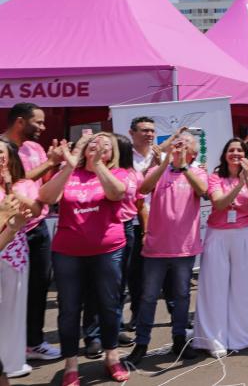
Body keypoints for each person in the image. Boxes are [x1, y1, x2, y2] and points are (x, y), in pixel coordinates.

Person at [39, 133, 130, 384]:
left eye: (104, 146)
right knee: (68, 309)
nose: (97, 147)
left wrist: (98, 164)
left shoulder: (118, 173)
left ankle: (112, 357)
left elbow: (117, 193)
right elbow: (46, 198)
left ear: (112, 154)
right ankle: (70, 365)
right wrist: (70, 164)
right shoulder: (70, 172)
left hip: (107, 250)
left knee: (109, 305)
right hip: (68, 252)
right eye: (92, 143)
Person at [124, 130, 206, 366]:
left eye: (186, 144)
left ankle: (179, 339)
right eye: (177, 143)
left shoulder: (198, 171)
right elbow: (144, 188)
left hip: (184, 249)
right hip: (156, 248)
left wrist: (183, 168)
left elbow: (202, 191)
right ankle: (141, 343)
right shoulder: (157, 171)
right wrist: (166, 163)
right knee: (148, 297)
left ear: (193, 152)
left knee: (181, 296)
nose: (180, 146)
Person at [1, 103, 62, 362]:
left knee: (37, 288)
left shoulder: (36, 147)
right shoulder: (2, 149)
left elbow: (41, 184)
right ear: (19, 122)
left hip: (37, 227)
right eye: (38, 122)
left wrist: (58, 167)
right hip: (10, 233)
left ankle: (33, 343)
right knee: (9, 296)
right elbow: (15, 180)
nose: (43, 127)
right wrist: (51, 162)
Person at [193, 138, 248, 357]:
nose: (235, 154)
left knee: (243, 287)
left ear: (246, 156)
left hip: (244, 234)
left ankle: (241, 336)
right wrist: (239, 185)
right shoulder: (216, 177)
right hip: (218, 235)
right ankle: (213, 338)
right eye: (231, 150)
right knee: (214, 287)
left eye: (240, 151)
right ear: (225, 155)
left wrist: (247, 179)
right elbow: (219, 203)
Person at [80, 135, 139, 354]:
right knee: (95, 286)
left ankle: (112, 330)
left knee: (118, 285)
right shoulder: (102, 173)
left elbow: (138, 202)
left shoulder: (129, 173)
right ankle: (93, 335)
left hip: (127, 228)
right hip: (103, 229)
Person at [0, 139, 38, 380]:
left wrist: (10, 185)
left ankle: (10, 362)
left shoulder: (16, 186)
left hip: (14, 253)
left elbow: (34, 210)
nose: (0, 158)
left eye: (2, 153)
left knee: (13, 310)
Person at [124, 117, 159, 332]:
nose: (149, 134)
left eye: (152, 131)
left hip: (161, 221)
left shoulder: (162, 156)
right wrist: (151, 168)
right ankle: (137, 315)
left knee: (165, 273)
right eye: (144, 130)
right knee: (135, 273)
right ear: (132, 133)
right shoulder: (125, 158)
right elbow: (138, 189)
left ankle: (176, 316)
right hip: (134, 222)